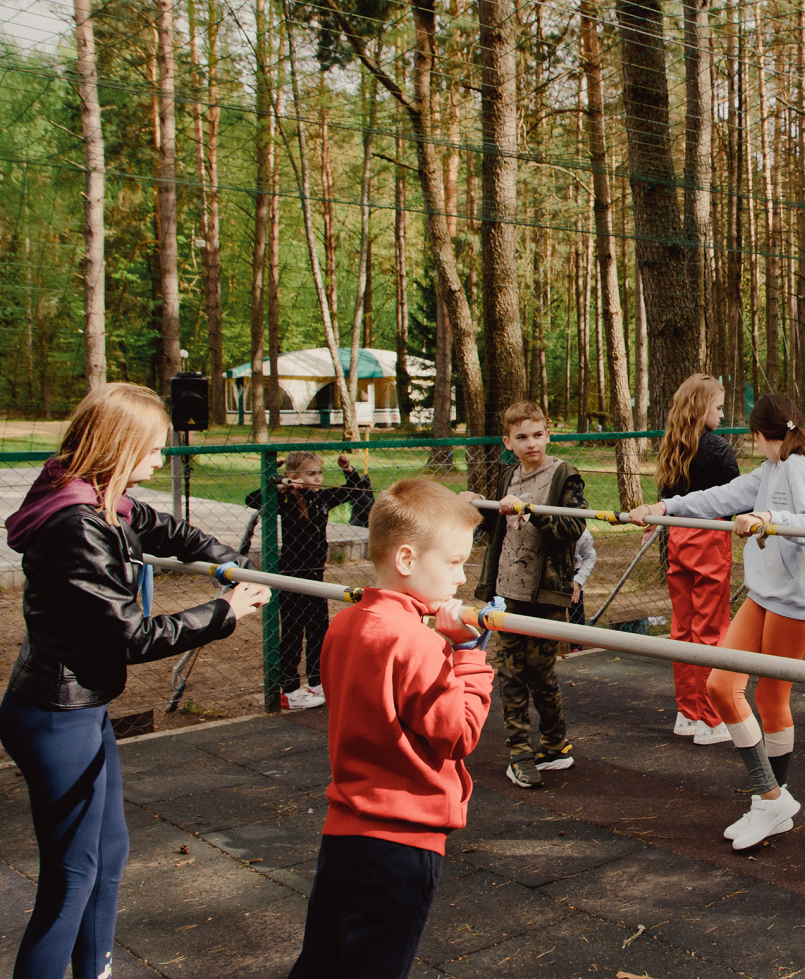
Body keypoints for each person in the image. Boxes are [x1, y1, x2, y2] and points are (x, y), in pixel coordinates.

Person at [1, 382, 269, 979]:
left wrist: (228, 557)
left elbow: (161, 526)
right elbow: (130, 637)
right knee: (72, 874)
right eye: (151, 450)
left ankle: (94, 967)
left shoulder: (100, 498)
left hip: (80, 705)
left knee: (108, 852)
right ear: (118, 448)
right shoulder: (76, 524)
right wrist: (224, 612)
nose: (157, 461)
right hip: (54, 713)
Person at [287, 477, 492, 979]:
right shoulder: (418, 645)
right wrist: (467, 655)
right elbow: (459, 734)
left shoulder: (345, 625)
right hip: (402, 841)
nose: (462, 578)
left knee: (323, 959)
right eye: (452, 563)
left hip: (344, 832)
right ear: (406, 560)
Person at [626, 394, 805, 851]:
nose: (755, 447)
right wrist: (667, 508)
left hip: (796, 597)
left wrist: (767, 518)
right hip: (765, 591)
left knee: (770, 695)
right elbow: (721, 497)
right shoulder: (771, 468)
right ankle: (772, 798)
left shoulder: (802, 466)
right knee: (721, 686)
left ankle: (769, 799)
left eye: (754, 439)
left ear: (761, 435)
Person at [469, 402, 586, 787]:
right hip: (507, 591)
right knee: (508, 673)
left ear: (548, 434)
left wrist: (532, 511)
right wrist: (476, 506)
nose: (531, 443)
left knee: (541, 673)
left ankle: (555, 745)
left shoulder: (564, 475)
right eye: (521, 437)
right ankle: (519, 753)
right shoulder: (507, 476)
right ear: (508, 442)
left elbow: (573, 528)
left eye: (537, 435)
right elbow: (498, 525)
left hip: (545, 594)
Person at [245, 449, 372, 710]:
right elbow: (252, 499)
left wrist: (348, 470)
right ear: (294, 476)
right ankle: (289, 689)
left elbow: (357, 490)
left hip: (317, 577)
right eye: (310, 474)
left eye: (319, 473)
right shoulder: (286, 499)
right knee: (292, 633)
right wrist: (277, 480)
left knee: (319, 631)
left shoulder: (322, 498)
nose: (317, 479)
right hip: (292, 577)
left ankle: (316, 681)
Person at [654, 374, 741, 745]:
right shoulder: (718, 449)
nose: (722, 415)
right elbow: (738, 497)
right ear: (702, 407)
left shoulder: (672, 446)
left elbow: (665, 494)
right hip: (709, 536)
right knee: (710, 629)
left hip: (678, 536)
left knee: (683, 626)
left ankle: (687, 711)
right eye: (718, 407)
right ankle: (710, 718)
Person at [566, 528, 597, 654]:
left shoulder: (583, 534)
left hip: (574, 570)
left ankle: (576, 647)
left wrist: (578, 581)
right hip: (550, 569)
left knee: (576, 605)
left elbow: (590, 557)